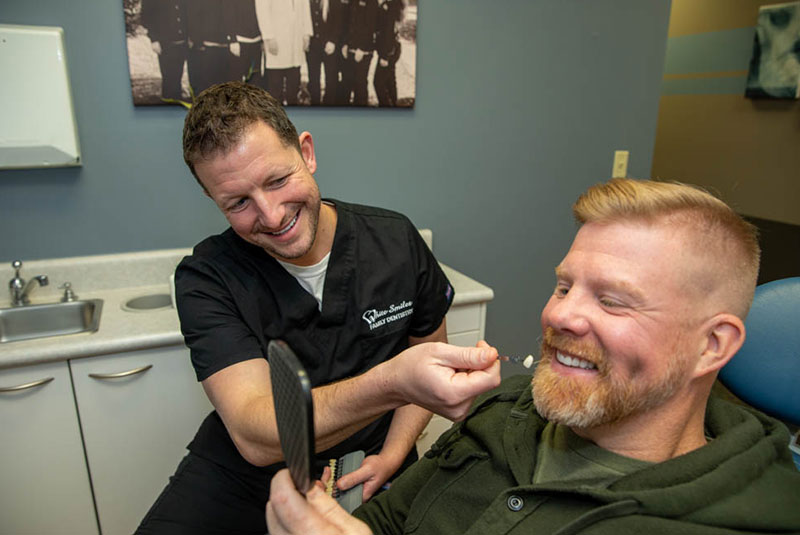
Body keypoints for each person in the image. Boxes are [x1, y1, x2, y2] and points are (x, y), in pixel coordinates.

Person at [267, 177, 800, 535]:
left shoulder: (740, 518)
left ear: (712, 345)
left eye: (612, 301)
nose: (560, 316)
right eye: (565, 287)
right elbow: (388, 520)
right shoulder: (505, 413)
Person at [135, 80, 502, 535]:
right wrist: (391, 382)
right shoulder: (208, 278)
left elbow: (429, 351)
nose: (271, 216)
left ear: (306, 153)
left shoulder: (393, 241)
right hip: (249, 475)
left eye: (277, 180)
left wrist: (393, 452)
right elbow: (254, 434)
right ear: (214, 200)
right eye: (239, 203)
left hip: (370, 459)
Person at [256, 0, 313, 105]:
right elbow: (262, 11)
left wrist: (307, 34)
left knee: (294, 86)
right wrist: (269, 37)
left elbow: (305, 8)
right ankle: (275, 120)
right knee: (275, 88)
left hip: (296, 43)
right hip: (276, 43)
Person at [140, 0, 189, 101]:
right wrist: (154, 39)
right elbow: (146, 17)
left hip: (183, 41)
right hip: (165, 43)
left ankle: (177, 98)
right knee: (168, 77)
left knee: (178, 75)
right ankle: (169, 103)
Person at [373, 0, 403, 107]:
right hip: (391, 48)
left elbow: (389, 31)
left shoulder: (391, 6)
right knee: (390, 81)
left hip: (389, 50)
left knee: (378, 83)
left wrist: (384, 56)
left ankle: (386, 108)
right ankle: (393, 106)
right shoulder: (390, 4)